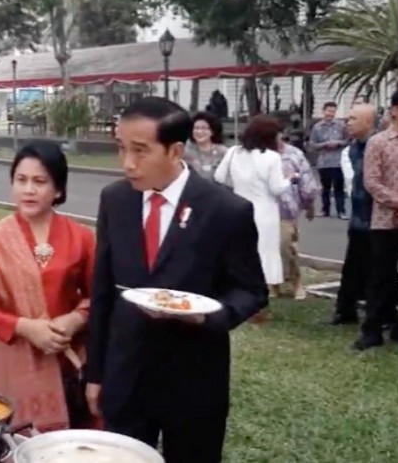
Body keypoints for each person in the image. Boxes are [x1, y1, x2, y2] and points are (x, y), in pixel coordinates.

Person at [85, 97, 268, 463]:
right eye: (121, 148)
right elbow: (103, 290)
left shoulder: (225, 209)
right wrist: (96, 373)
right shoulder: (115, 199)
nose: (127, 164)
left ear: (175, 150)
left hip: (194, 378)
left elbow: (251, 291)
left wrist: (207, 316)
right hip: (127, 372)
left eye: (140, 151)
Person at [0, 140, 96, 431]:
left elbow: (99, 297)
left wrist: (74, 319)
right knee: (8, 442)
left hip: (65, 363)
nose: (28, 190)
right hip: (9, 363)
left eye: (39, 181)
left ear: (58, 189)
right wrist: (24, 327)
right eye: (21, 180)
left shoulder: (81, 237)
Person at [354, 88, 398, 350]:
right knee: (381, 277)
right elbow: (372, 182)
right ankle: (372, 331)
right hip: (385, 221)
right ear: (394, 110)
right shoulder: (378, 142)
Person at [214, 115, 292, 297]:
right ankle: (268, 287)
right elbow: (276, 188)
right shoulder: (272, 157)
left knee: (242, 249)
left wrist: (238, 185)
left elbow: (219, 177)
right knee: (266, 250)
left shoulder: (234, 152)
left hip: (239, 207)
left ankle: (239, 283)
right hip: (265, 210)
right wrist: (289, 179)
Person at [333, 104, 378, 325]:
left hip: (377, 220)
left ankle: (377, 315)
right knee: (352, 267)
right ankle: (345, 311)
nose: (347, 122)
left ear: (368, 123)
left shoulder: (377, 146)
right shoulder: (353, 148)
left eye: (352, 118)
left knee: (375, 271)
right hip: (358, 217)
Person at [277, 129, 319, 300]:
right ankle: (273, 285)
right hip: (262, 208)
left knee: (286, 246)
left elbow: (307, 182)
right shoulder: (259, 154)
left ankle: (296, 282)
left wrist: (309, 205)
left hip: (287, 209)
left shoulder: (294, 154)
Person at [309, 102, 348, 219]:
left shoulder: (341, 126)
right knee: (325, 188)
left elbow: (348, 141)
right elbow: (312, 144)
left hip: (338, 161)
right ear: (324, 111)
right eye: (329, 111)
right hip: (324, 161)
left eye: (333, 111)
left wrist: (338, 143)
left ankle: (341, 211)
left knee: (339, 188)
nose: (331, 114)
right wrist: (325, 144)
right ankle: (325, 210)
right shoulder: (317, 127)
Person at [182, 111, 227, 181]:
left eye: (204, 128)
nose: (199, 132)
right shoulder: (184, 152)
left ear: (212, 131)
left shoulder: (224, 152)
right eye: (196, 128)